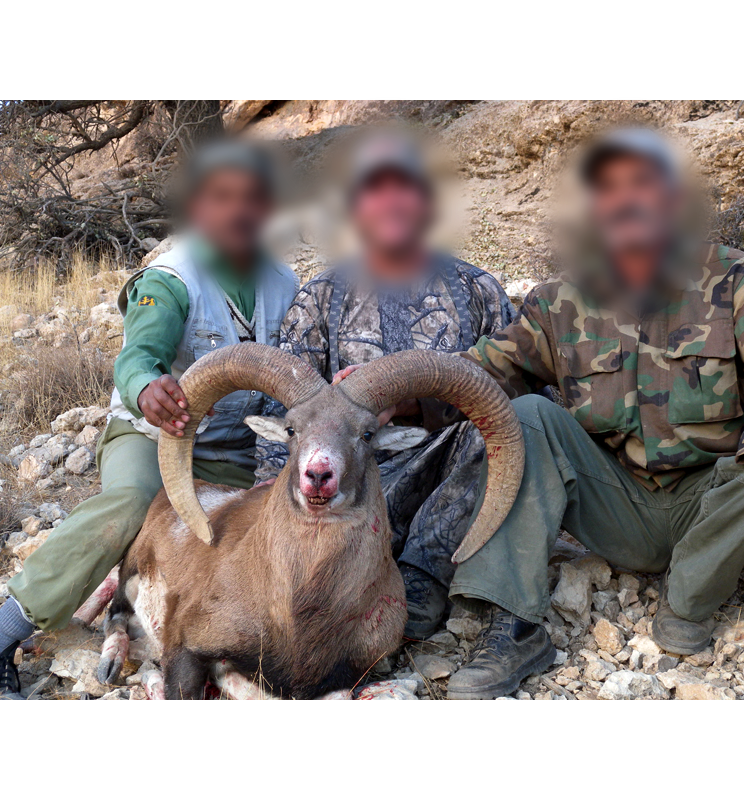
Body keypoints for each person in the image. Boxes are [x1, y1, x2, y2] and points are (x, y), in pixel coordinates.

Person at [444, 129, 744, 699]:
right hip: (618, 508)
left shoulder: (737, 279)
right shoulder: (560, 300)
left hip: (712, 505)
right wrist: (393, 393)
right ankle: (511, 623)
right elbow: (480, 374)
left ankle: (690, 601)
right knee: (531, 415)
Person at [0, 140, 298, 699]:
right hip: (154, 434)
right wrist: (146, 389)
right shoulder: (170, 277)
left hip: (236, 450)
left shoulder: (284, 283)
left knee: (271, 522)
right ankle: (6, 629)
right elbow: (139, 356)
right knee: (135, 507)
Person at [255, 132, 514, 639]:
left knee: (496, 428)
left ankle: (421, 578)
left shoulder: (478, 291)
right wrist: (265, 498)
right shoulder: (321, 296)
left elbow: (514, 390)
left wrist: (416, 404)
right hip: (347, 480)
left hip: (446, 476)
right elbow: (280, 407)